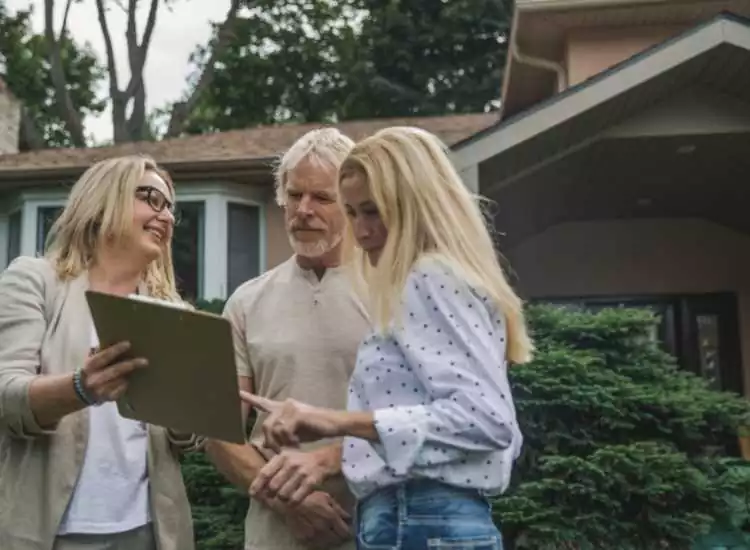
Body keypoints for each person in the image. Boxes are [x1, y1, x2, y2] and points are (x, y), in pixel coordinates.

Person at [241, 126, 534, 549]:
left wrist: (333, 421)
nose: (361, 231)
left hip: (418, 519)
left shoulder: (429, 277)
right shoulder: (437, 278)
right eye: (353, 211)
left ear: (416, 203)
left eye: (373, 211)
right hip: (425, 518)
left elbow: (487, 420)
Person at [0, 155, 201, 550]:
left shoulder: (174, 313)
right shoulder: (35, 281)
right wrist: (81, 387)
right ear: (103, 200)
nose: (166, 216)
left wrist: (192, 407)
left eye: (170, 207)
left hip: (149, 532)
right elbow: (5, 395)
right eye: (150, 198)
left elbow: (186, 440)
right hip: (47, 532)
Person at [204, 128, 370, 550]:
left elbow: (418, 420)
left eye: (322, 198)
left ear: (352, 204)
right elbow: (219, 430)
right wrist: (292, 504)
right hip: (275, 534)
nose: (303, 210)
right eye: (294, 196)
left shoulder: (394, 292)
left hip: (375, 525)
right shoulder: (246, 301)